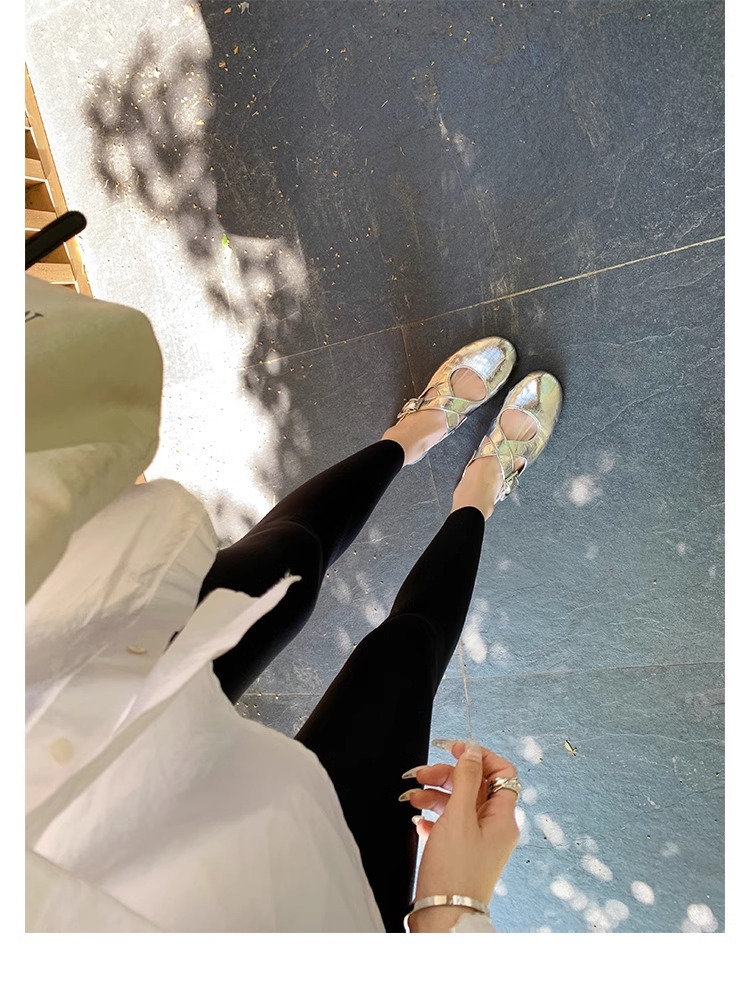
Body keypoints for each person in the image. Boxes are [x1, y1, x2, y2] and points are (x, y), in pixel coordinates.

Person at [25, 276, 561, 933]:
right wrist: (453, 910)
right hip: (306, 914)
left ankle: (411, 434)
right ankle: (479, 491)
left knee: (285, 560)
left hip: (46, 700)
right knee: (401, 661)